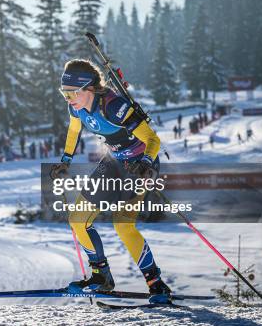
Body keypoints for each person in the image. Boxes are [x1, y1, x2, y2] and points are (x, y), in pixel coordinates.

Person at [50, 59, 171, 303]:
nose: (68, 98)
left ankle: (156, 285)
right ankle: (100, 276)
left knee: (123, 226)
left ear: (89, 88)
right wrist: (65, 160)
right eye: (64, 93)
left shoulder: (114, 106)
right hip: (114, 162)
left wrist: (146, 164)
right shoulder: (76, 107)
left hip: (140, 167)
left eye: (72, 92)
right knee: (77, 219)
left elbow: (153, 140)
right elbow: (74, 131)